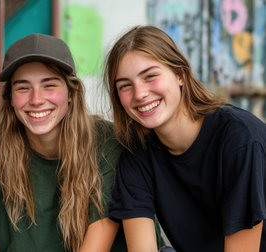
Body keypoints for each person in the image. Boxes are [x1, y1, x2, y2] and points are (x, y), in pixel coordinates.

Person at [0, 33, 151, 252]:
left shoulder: (110, 143)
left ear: (71, 92)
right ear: (10, 98)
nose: (36, 99)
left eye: (49, 85)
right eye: (23, 88)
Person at [105, 25, 266, 252]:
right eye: (125, 86)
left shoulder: (239, 139)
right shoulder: (137, 153)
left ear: (180, 75)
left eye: (150, 76)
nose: (139, 93)